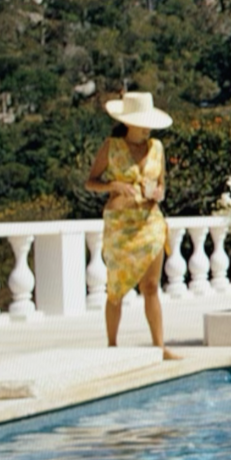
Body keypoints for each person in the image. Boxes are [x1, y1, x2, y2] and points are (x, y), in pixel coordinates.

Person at [82, 88, 174, 355]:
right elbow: (91, 182)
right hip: (120, 225)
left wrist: (158, 193)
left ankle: (160, 346)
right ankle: (112, 345)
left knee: (151, 286)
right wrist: (113, 186)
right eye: (142, 123)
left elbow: (162, 185)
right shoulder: (111, 148)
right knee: (116, 289)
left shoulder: (156, 148)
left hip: (150, 221)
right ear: (128, 123)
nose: (147, 129)